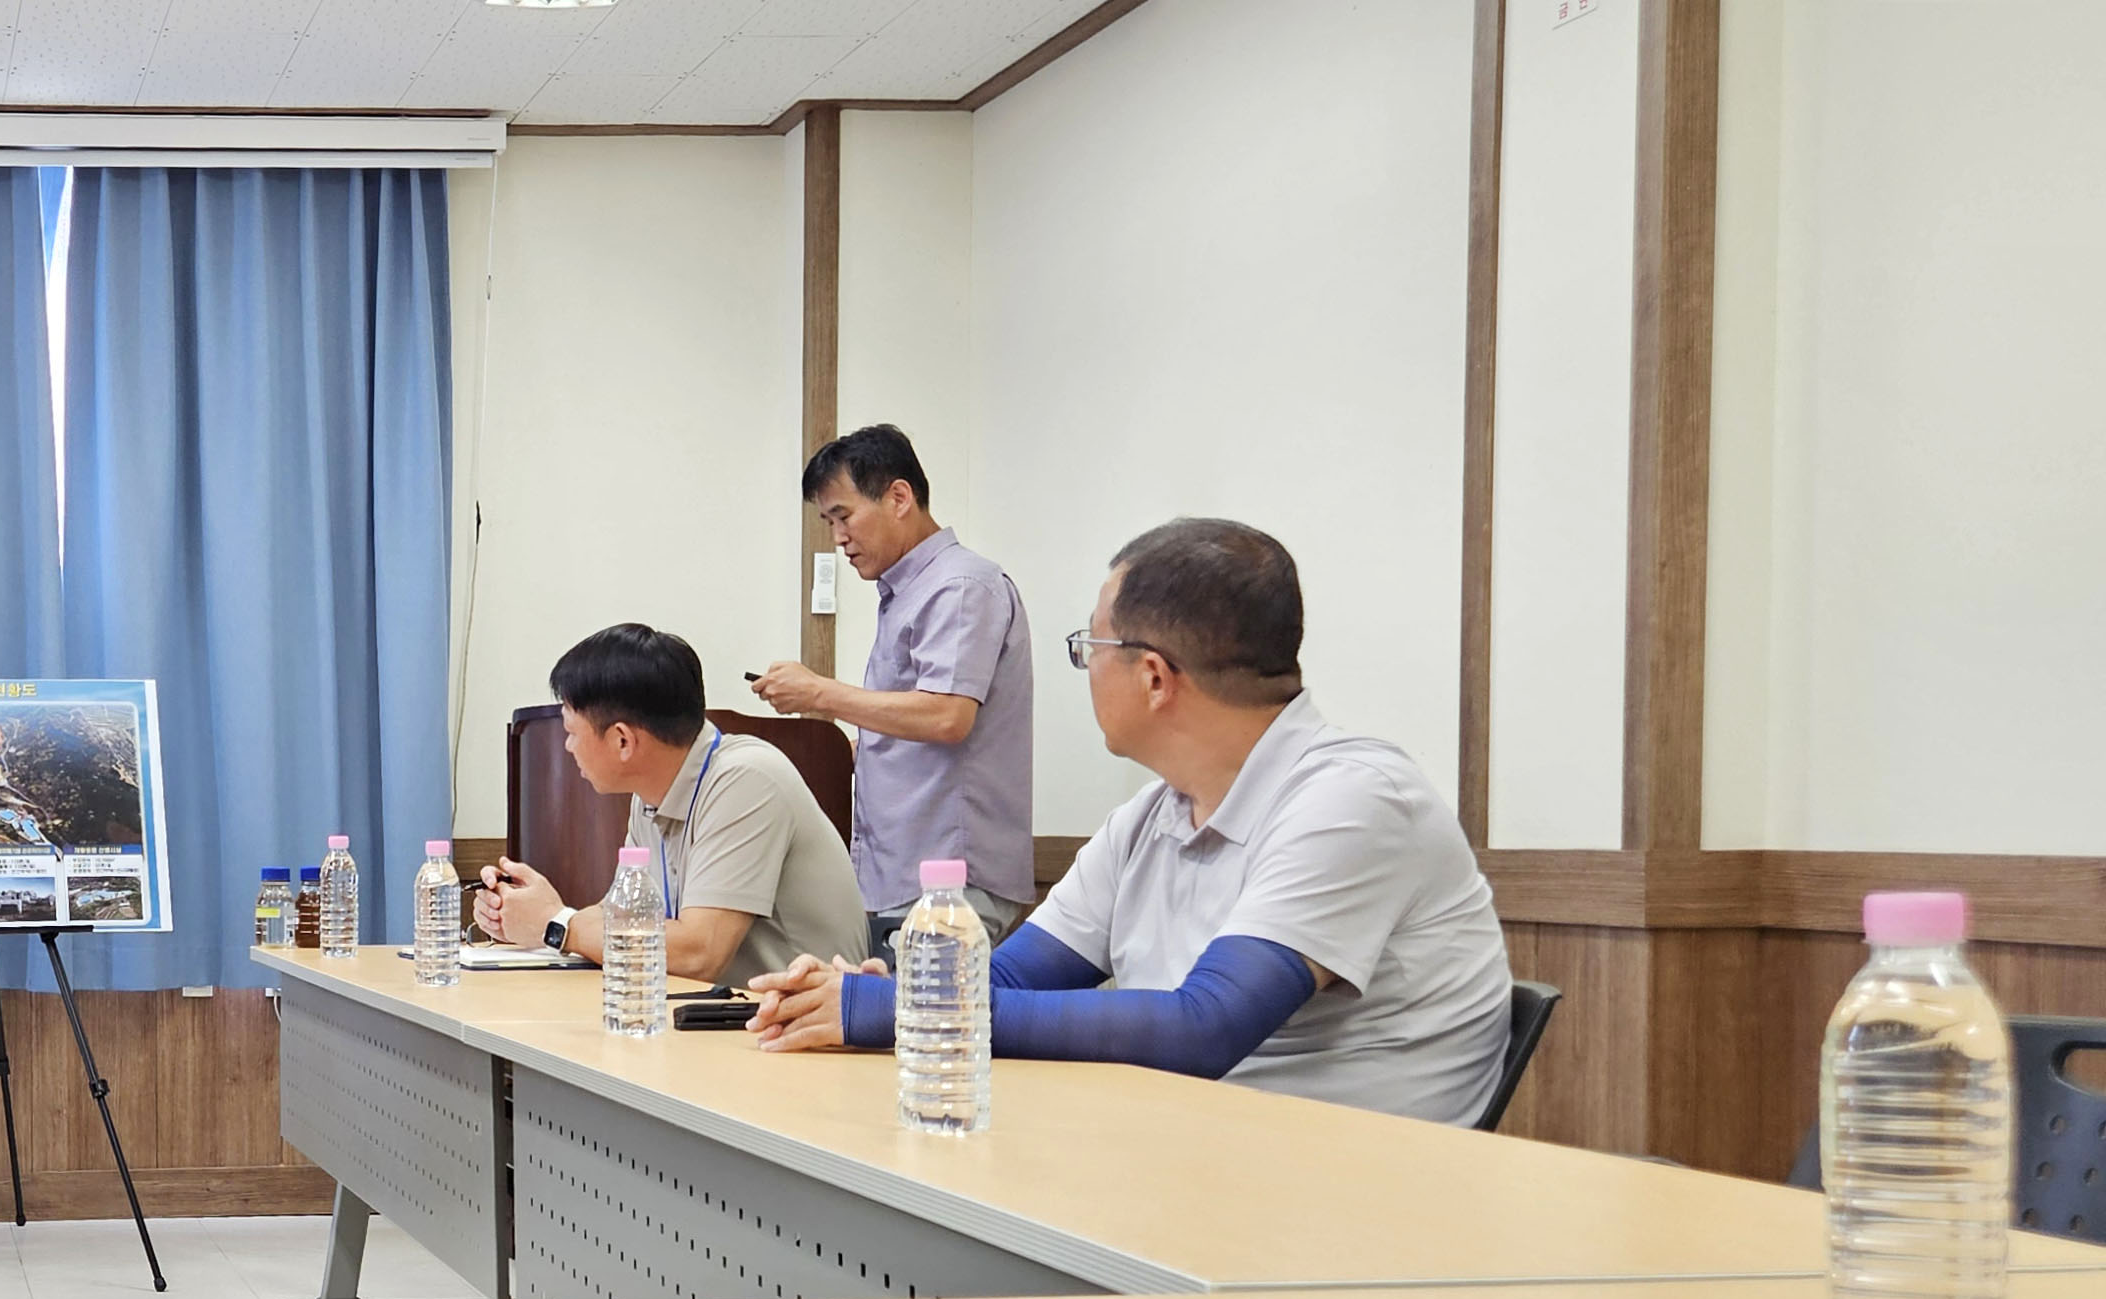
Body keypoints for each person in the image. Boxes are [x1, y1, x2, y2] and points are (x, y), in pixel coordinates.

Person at [749, 518, 1511, 1126]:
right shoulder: (1150, 816)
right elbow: (1005, 980)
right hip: (1194, 1154)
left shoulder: (1353, 799)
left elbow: (1204, 1027)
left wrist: (899, 1012)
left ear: (1152, 676)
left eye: (1091, 647)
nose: (1085, 667)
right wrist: (894, 986)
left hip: (1358, 1200)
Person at [748, 424, 1038, 958]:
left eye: (844, 515)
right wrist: (865, 749)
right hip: (904, 876)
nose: (837, 537)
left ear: (899, 497)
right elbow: (922, 719)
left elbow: (948, 716)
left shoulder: (959, 586)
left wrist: (819, 695)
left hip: (950, 877)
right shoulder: (909, 592)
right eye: (827, 521)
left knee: (928, 1035)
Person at [473, 624, 861, 988]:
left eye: (572, 732)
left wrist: (558, 924)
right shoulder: (651, 797)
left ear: (623, 740)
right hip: (730, 1023)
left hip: (809, 1035)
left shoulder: (747, 780)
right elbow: (621, 923)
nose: (567, 747)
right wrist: (528, 914)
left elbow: (700, 952)